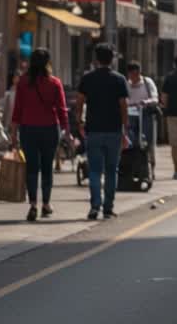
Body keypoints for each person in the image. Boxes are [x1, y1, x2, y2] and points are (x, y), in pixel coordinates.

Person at [10, 49, 69, 222]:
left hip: (28, 129)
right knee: (47, 168)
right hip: (50, 129)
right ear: (47, 63)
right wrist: (66, 130)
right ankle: (46, 204)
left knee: (32, 168)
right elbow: (61, 109)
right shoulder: (54, 83)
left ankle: (33, 204)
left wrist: (13, 133)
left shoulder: (23, 82)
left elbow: (17, 110)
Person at [76, 43, 130, 220]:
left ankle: (94, 206)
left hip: (94, 130)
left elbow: (80, 101)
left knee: (94, 171)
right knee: (111, 170)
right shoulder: (119, 79)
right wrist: (125, 129)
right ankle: (108, 208)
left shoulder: (87, 78)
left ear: (96, 59)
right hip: (114, 130)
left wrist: (80, 122)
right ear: (112, 59)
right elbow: (123, 106)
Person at [126, 61, 159, 154]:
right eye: (132, 74)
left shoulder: (147, 82)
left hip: (145, 113)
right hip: (131, 114)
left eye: (137, 74)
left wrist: (146, 102)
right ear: (129, 74)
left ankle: (148, 151)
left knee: (146, 134)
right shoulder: (126, 85)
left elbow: (155, 98)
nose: (134, 77)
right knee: (130, 134)